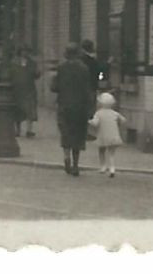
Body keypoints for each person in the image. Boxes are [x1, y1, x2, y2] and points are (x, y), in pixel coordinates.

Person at [52, 42, 95, 175]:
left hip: (64, 106)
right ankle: (76, 165)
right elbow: (87, 89)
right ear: (77, 54)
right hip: (80, 107)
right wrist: (90, 107)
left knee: (66, 134)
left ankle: (66, 159)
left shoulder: (61, 68)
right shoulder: (84, 68)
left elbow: (54, 87)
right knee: (78, 136)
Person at [86, 92, 128, 177]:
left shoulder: (99, 113)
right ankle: (112, 169)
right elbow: (123, 120)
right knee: (111, 153)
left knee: (101, 151)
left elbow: (95, 123)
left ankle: (103, 166)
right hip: (113, 136)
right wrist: (117, 124)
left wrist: (89, 121)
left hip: (103, 136)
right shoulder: (114, 113)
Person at [7, 43, 40, 138]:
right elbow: (10, 74)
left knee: (30, 110)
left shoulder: (32, 63)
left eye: (26, 51)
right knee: (17, 110)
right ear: (20, 52)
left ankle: (29, 130)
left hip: (29, 89)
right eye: (23, 51)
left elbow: (36, 75)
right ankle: (18, 130)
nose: (25, 53)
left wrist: (37, 73)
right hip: (17, 90)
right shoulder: (14, 62)